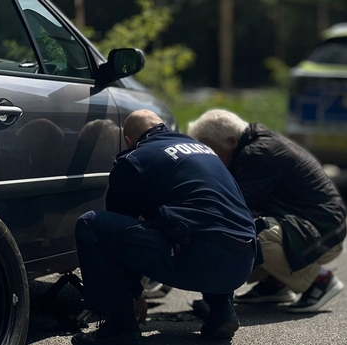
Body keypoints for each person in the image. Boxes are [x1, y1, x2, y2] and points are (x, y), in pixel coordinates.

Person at [71, 109, 257, 345]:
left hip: (201, 260)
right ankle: (222, 312)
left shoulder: (135, 160)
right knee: (208, 218)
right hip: (243, 261)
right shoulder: (206, 151)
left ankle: (119, 327)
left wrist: (134, 294)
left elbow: (116, 241)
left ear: (129, 140)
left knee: (92, 224)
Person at [187, 109, 347, 313]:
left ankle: (320, 281)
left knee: (253, 232)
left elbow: (232, 206)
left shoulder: (258, 155)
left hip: (323, 233)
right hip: (312, 224)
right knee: (246, 226)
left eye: (209, 150)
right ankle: (277, 283)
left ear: (230, 142)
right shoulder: (253, 144)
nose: (207, 157)